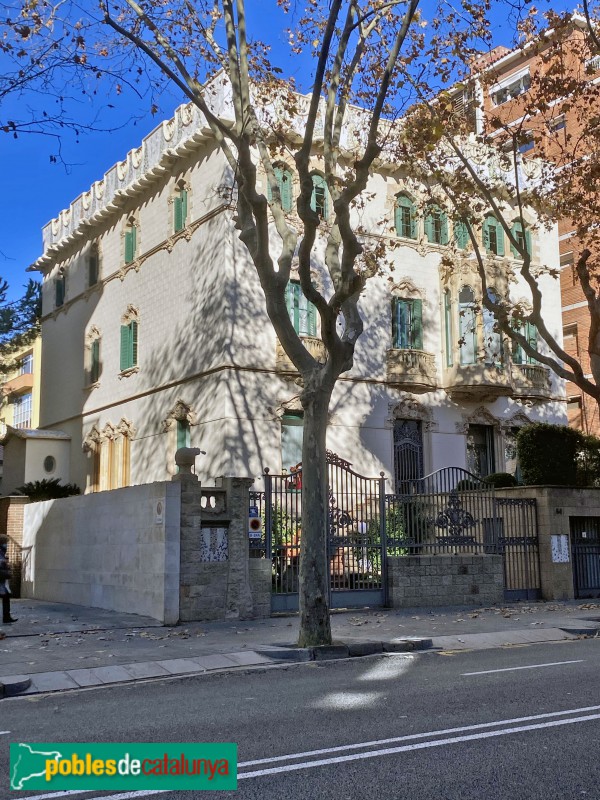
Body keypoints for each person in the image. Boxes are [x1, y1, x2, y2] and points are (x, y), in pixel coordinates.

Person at [0, 542, 17, 624]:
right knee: (6, 597)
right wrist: (3, 562)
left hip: (1, 582)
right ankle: (6, 617)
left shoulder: (2, 553)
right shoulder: (0, 553)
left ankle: (6, 617)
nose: (6, 546)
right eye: (5, 544)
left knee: (6, 596)